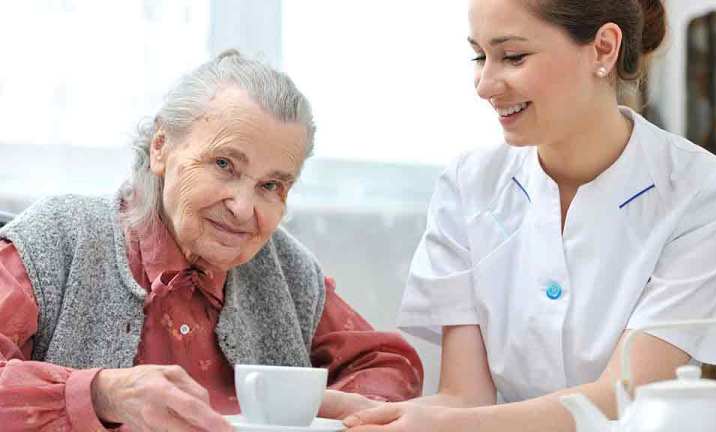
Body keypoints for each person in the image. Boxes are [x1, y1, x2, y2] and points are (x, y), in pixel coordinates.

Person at [329, 0, 716, 431]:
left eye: (512, 56)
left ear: (603, 49)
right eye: (480, 56)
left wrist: (445, 426)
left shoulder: (702, 191)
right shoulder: (468, 184)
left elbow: (626, 396)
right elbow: (466, 396)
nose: (484, 83)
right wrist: (336, 408)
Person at [0, 50, 423, 431]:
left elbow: (386, 362)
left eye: (271, 185)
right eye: (224, 164)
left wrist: (342, 412)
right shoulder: (58, 240)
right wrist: (101, 393)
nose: (242, 207)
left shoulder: (286, 270)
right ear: (161, 147)